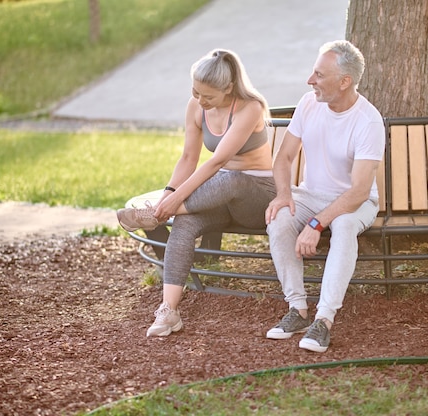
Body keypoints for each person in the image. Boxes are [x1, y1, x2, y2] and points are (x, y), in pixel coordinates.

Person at [116, 49, 276, 337]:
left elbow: (217, 162)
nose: (200, 100)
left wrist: (174, 201)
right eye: (196, 92)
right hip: (219, 194)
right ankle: (168, 311)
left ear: (228, 88)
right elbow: (188, 158)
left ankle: (152, 215)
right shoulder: (196, 106)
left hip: (258, 197)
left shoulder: (249, 107)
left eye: (208, 96)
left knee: (233, 179)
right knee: (185, 222)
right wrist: (168, 194)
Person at [264, 40, 385, 353]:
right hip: (312, 194)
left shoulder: (368, 121)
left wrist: (317, 224)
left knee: (343, 226)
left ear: (344, 81)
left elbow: (358, 191)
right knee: (280, 217)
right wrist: (283, 194)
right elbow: (284, 158)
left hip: (356, 204)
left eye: (319, 74)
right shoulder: (308, 103)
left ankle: (324, 320)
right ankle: (298, 310)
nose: (310, 80)